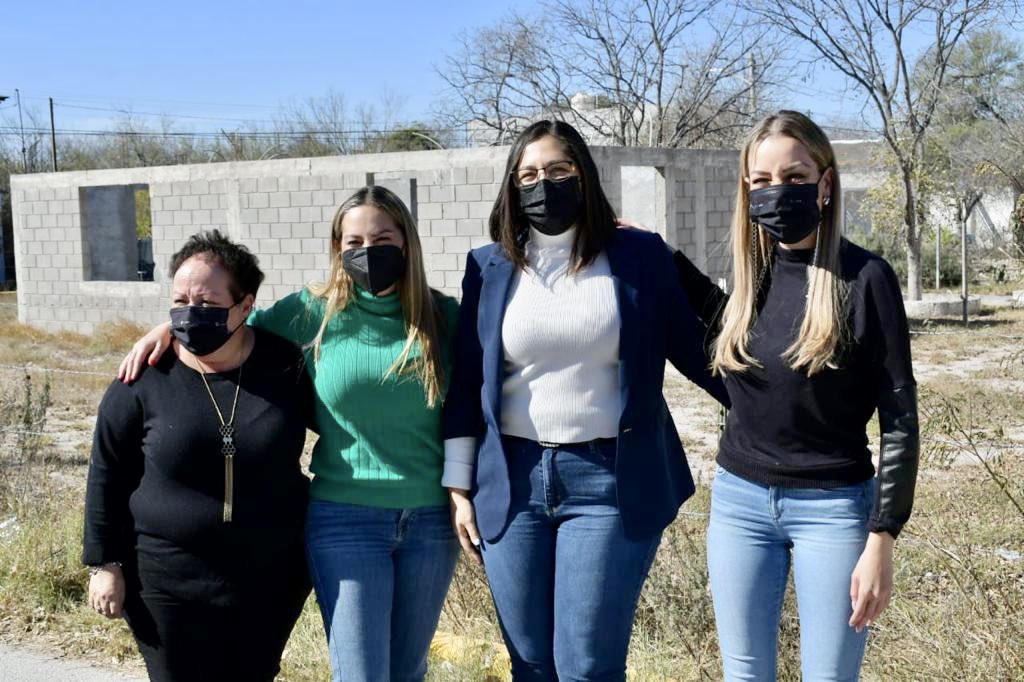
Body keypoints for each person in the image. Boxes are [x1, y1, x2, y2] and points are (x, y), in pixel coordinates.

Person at [117, 186, 461, 682]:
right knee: (363, 674)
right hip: (346, 519)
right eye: (353, 241)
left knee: (407, 671)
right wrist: (167, 329)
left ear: (408, 243)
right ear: (337, 249)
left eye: (382, 238)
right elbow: (226, 325)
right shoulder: (311, 312)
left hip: (430, 523)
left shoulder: (442, 317)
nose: (367, 251)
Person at [442, 119, 730, 681]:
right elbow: (468, 378)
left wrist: (786, 406)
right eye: (528, 174)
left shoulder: (637, 254)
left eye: (558, 170)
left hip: (609, 480)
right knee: (530, 664)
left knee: (587, 667)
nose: (542, 184)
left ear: (584, 176)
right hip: (513, 480)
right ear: (511, 186)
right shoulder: (489, 265)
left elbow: (699, 352)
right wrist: (459, 486)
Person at [672, 110, 920, 680]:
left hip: (833, 510)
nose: (776, 192)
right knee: (745, 673)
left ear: (825, 183)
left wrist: (882, 539)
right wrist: (659, 255)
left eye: (794, 177)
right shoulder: (753, 272)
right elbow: (729, 332)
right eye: (760, 181)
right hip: (738, 503)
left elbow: (900, 419)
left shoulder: (867, 277)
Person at [84, 230, 312, 682]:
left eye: (207, 303)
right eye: (180, 301)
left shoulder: (285, 365)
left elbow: (345, 428)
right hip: (164, 581)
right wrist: (105, 564)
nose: (191, 314)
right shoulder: (143, 377)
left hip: (269, 578)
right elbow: (107, 471)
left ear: (246, 306)